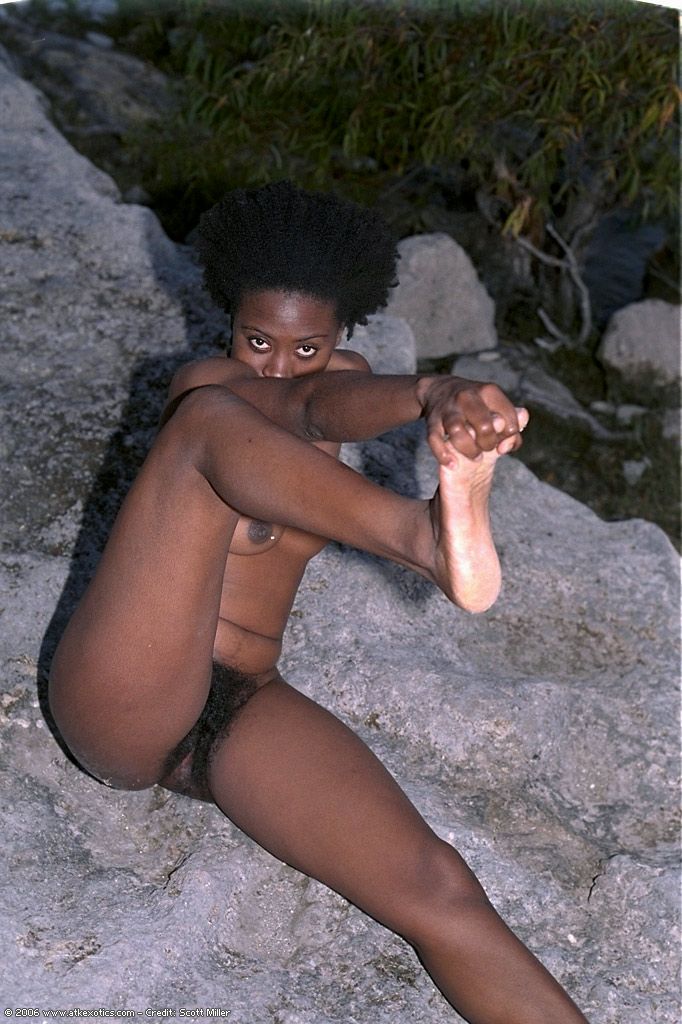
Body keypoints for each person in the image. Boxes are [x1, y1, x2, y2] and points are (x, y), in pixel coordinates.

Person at [49, 181, 588, 1023]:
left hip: (242, 702)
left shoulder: (343, 388)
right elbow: (292, 407)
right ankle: (422, 539)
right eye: (257, 338)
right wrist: (428, 392)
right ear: (230, 323)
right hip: (126, 698)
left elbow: (328, 402)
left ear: (341, 338)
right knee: (209, 426)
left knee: (437, 887)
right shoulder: (207, 386)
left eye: (307, 346)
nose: (276, 362)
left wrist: (442, 397)